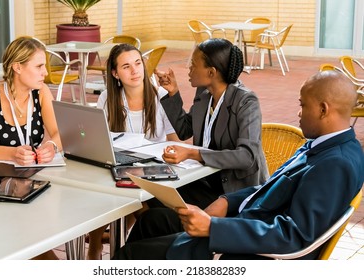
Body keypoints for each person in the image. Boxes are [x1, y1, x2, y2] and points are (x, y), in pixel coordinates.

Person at [112, 70, 364, 260]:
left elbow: (294, 236)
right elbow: (271, 188)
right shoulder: (323, 145)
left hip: (244, 248)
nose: (299, 113)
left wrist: (214, 227)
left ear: (323, 109)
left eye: (302, 105)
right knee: (151, 221)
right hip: (241, 220)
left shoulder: (336, 163)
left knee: (129, 256)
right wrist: (228, 201)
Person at [150, 38, 269, 210]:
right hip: (204, 182)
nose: (188, 68)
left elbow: (247, 157)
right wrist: (173, 94)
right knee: (155, 194)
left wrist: (193, 154)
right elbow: (184, 130)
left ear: (211, 72)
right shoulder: (205, 94)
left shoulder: (245, 101)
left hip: (234, 195)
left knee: (158, 213)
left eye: (193, 64)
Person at [0, 36, 62, 260]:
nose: (45, 73)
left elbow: (60, 133)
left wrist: (51, 146)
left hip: (29, 182)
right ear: (17, 67)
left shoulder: (40, 92)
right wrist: (11, 154)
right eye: (39, 66)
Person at [89, 43, 179, 260]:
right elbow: (98, 141)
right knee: (106, 188)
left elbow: (175, 138)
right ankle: (96, 245)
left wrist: (176, 154)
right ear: (115, 73)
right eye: (126, 66)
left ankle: (119, 249)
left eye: (138, 63)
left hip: (152, 171)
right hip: (119, 167)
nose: (135, 71)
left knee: (139, 204)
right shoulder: (107, 99)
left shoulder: (161, 95)